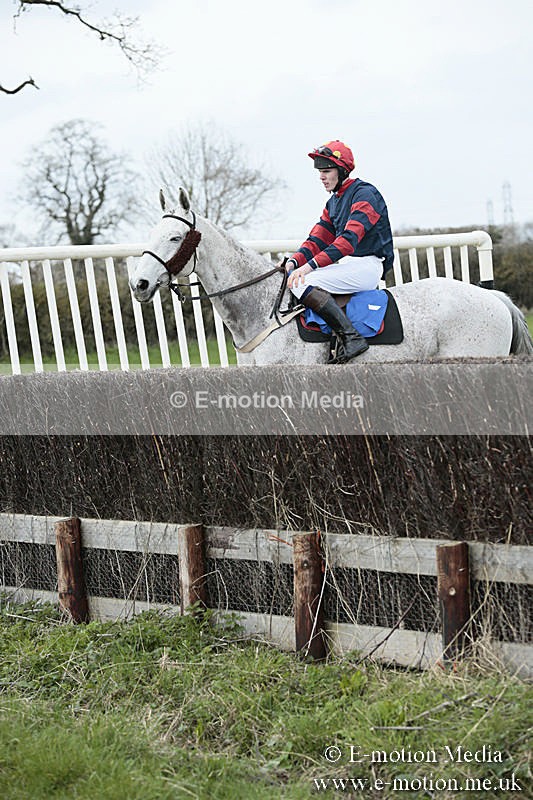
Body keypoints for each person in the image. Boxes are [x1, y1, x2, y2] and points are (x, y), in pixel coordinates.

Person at [285, 140, 394, 362]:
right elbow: (316, 240)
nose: (321, 177)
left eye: (326, 171)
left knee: (301, 282)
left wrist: (307, 268)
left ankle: (352, 338)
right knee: (295, 277)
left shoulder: (365, 194)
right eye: (320, 172)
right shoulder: (332, 203)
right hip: (349, 266)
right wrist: (294, 262)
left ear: (342, 171)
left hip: (367, 265)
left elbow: (348, 241)